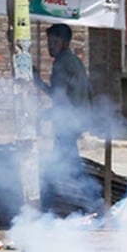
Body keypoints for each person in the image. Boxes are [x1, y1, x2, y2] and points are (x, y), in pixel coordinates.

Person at [35, 23, 92, 170]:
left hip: (68, 120)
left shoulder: (62, 63)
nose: (50, 47)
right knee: (68, 158)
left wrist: (37, 82)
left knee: (65, 163)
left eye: (55, 42)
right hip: (78, 118)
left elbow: (58, 96)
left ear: (66, 43)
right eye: (49, 42)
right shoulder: (75, 61)